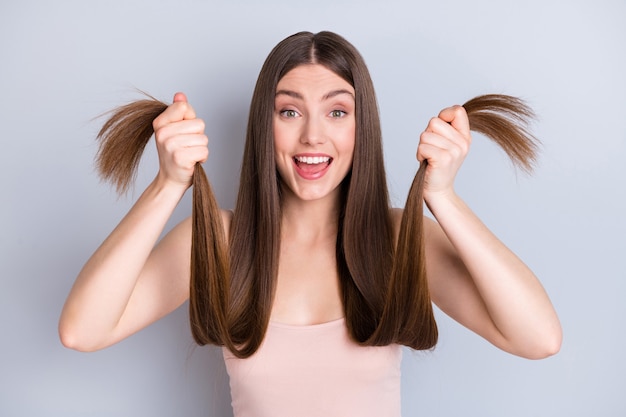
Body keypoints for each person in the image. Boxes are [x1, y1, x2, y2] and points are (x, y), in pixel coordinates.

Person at [59, 31, 561, 416]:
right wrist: (167, 185)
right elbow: (82, 330)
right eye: (290, 111)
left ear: (362, 127)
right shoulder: (220, 243)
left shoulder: (398, 241)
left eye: (338, 111)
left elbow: (538, 338)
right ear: (264, 125)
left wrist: (443, 198)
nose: (313, 136)